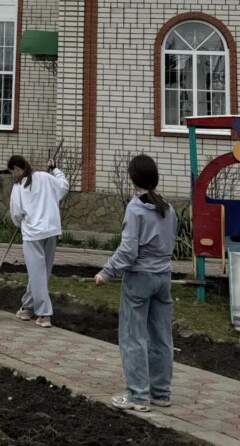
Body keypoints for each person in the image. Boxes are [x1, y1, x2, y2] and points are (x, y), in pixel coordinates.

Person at [94, 153, 178, 412]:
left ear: (133, 179)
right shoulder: (167, 207)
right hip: (163, 277)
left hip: (139, 279)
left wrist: (107, 272)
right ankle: (161, 393)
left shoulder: (135, 208)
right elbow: (171, 242)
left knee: (133, 337)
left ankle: (138, 396)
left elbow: (129, 250)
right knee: (161, 337)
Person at [8, 153, 69, 328]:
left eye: (12, 172)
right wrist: (55, 169)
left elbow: (16, 214)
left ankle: (44, 314)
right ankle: (27, 307)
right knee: (41, 274)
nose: (12, 175)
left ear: (17, 169)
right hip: (51, 231)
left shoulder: (18, 187)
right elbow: (64, 186)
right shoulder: (45, 177)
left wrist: (20, 223)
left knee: (37, 274)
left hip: (33, 234)